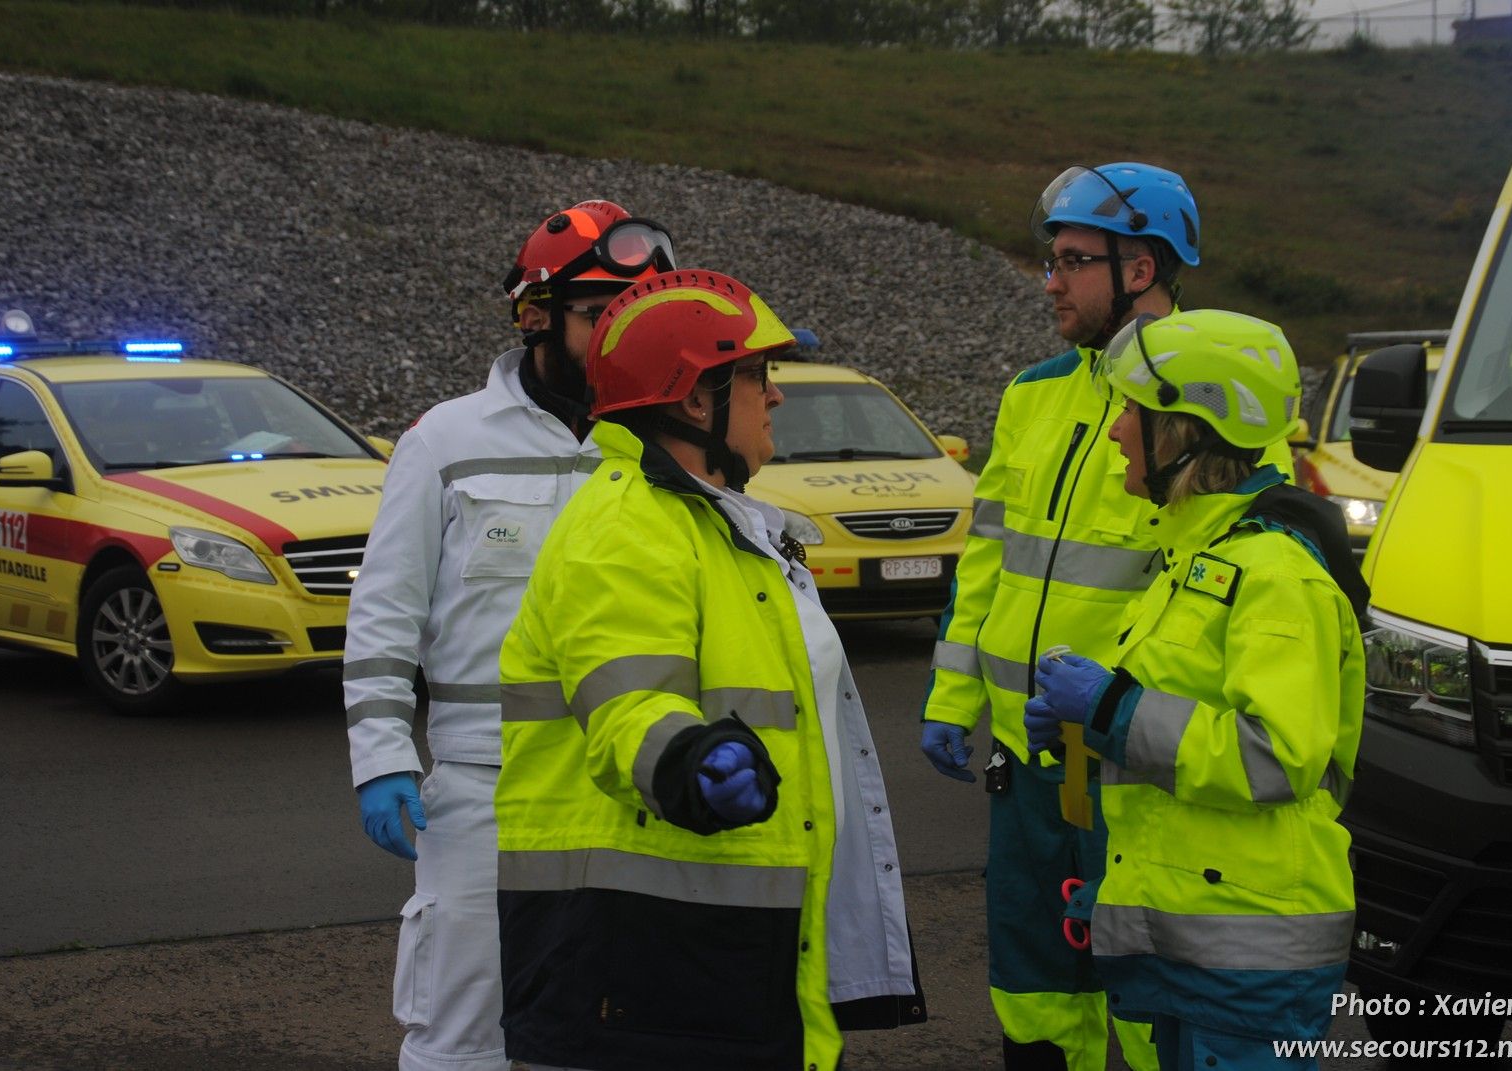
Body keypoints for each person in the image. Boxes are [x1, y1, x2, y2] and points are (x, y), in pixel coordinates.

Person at [494, 268, 924, 1071]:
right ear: (697, 400)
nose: (777, 396)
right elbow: (626, 702)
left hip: (708, 951)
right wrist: (691, 761)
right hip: (637, 961)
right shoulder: (629, 526)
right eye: (760, 374)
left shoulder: (719, 523)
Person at [342, 199, 676, 1071]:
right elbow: (385, 609)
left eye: (637, 315)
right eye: (601, 314)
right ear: (536, 316)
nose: (619, 336)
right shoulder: (445, 441)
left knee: (606, 1026)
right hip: (483, 790)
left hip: (623, 784)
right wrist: (380, 752)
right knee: (462, 1034)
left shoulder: (652, 447)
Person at [919, 162, 1212, 1071]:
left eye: (1074, 261)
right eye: (1050, 260)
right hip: (1028, 754)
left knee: (1148, 990)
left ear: (1142, 269)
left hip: (1131, 762)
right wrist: (949, 696)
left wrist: (1134, 715)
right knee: (1038, 981)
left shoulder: (1201, 392)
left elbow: (1214, 576)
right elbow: (988, 559)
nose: (1050, 281)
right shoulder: (1034, 391)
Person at [1023, 309, 1365, 1070]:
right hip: (1196, 941)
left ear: (1187, 430)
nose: (1116, 431)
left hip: (1248, 956)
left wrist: (1110, 709)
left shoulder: (1275, 573)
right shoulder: (1197, 557)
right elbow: (1179, 726)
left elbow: (1274, 756)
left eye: (1133, 411)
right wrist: (1083, 732)